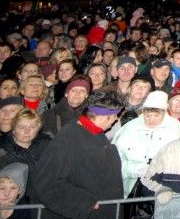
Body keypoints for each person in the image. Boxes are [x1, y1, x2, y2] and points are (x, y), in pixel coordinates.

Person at [32, 89, 124, 219]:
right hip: (87, 213)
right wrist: (84, 202)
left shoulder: (95, 132)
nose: (115, 120)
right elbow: (46, 182)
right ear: (104, 116)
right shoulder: (69, 137)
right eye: (115, 115)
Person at [112, 91, 180, 197]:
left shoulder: (175, 128)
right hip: (130, 188)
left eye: (156, 116)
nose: (151, 120)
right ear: (143, 112)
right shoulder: (130, 128)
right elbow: (114, 161)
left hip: (163, 188)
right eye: (148, 116)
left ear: (164, 112)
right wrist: (136, 169)